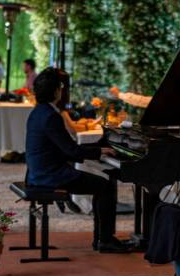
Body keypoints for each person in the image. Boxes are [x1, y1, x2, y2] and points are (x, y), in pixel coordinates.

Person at [26, 68, 129, 253]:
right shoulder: (51, 117)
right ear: (56, 91)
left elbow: (65, 149)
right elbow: (71, 151)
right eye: (61, 86)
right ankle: (105, 240)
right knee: (105, 186)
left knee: (102, 184)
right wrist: (99, 152)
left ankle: (102, 239)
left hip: (39, 172)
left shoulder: (38, 112)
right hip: (50, 176)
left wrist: (97, 150)